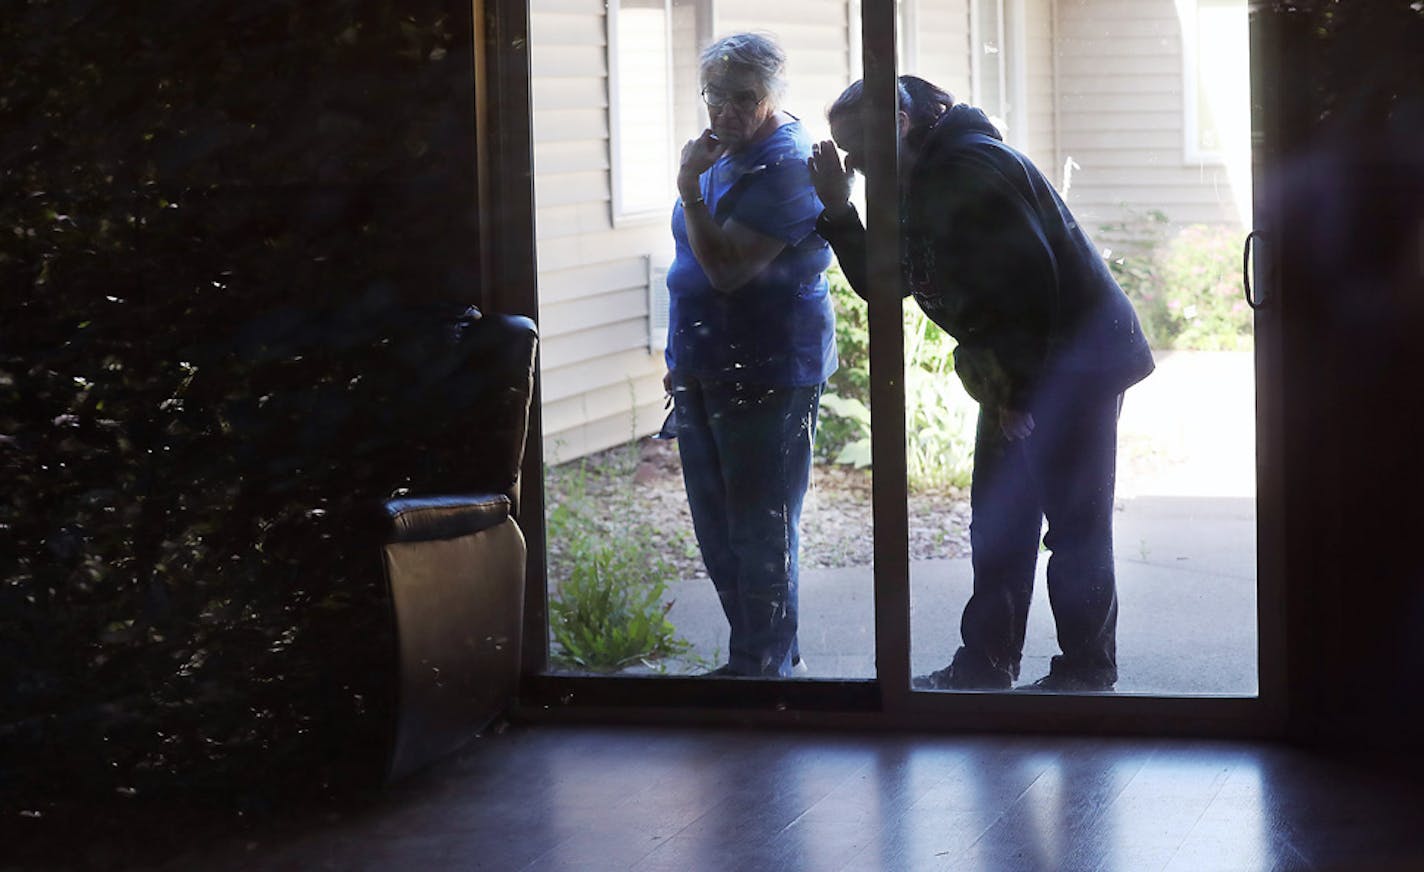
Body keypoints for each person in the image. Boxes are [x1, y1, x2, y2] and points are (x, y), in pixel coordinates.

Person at [807, 76, 1155, 692]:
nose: (853, 162)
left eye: (857, 145)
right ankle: (987, 664)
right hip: (1024, 368)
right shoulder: (917, 176)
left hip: (1071, 364)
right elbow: (891, 283)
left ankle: (1085, 673)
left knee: (1073, 524)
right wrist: (839, 209)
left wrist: (1020, 396)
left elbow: (1029, 285)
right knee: (1001, 519)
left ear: (900, 123)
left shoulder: (968, 169)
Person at [664, 33, 837, 677]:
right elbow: (690, 264)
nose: (728, 111)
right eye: (717, 96)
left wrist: (687, 189)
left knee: (760, 525)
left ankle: (762, 665)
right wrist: (679, 355)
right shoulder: (719, 155)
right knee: (715, 524)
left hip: (767, 366)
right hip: (704, 360)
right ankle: (758, 657)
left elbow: (730, 271)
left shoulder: (786, 165)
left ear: (772, 97)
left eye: (745, 98)